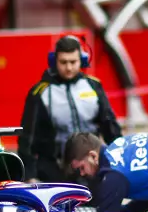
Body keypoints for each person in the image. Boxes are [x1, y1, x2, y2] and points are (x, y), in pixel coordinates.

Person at [19, 35, 122, 184]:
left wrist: (120, 158)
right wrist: (29, 175)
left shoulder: (94, 86)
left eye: (73, 62)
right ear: (54, 61)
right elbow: (27, 139)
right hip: (55, 170)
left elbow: (110, 126)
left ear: (82, 60)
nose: (68, 67)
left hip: (93, 165)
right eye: (63, 62)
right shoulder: (39, 93)